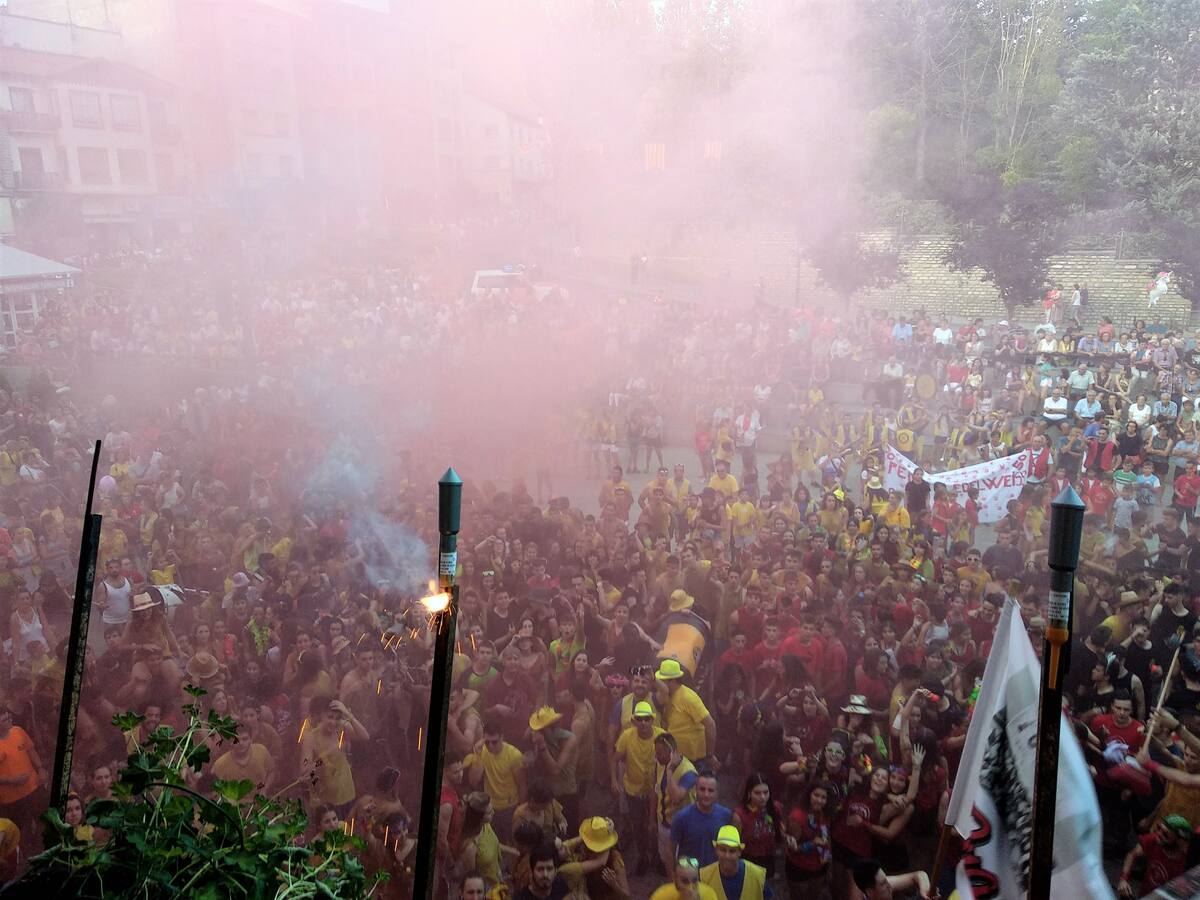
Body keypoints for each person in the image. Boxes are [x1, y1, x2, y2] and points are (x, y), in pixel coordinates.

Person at [1117, 814, 1191, 897]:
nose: (1158, 834)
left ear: (1180, 841)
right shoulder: (1153, 840)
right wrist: (1123, 879)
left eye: (1165, 834)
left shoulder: (1186, 862)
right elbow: (1132, 855)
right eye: (1159, 828)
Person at [670, 771, 732, 870]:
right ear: (695, 790)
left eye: (711, 790)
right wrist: (673, 875)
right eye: (702, 789)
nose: (706, 794)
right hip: (690, 874)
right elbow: (671, 850)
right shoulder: (682, 817)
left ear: (717, 793)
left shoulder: (726, 816)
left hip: (716, 874)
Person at [699, 824, 772, 900]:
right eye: (723, 850)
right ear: (716, 850)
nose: (727, 856)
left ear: (739, 852)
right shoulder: (705, 877)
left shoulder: (757, 875)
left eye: (732, 851)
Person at [850, 859, 931, 899]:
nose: (889, 885)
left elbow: (919, 875)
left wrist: (925, 891)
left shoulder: (885, 884)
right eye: (883, 883)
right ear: (870, 892)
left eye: (886, 879)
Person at [650, 857, 719, 900]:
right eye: (685, 881)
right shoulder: (661, 895)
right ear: (674, 878)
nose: (690, 887)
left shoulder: (709, 894)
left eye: (694, 880)